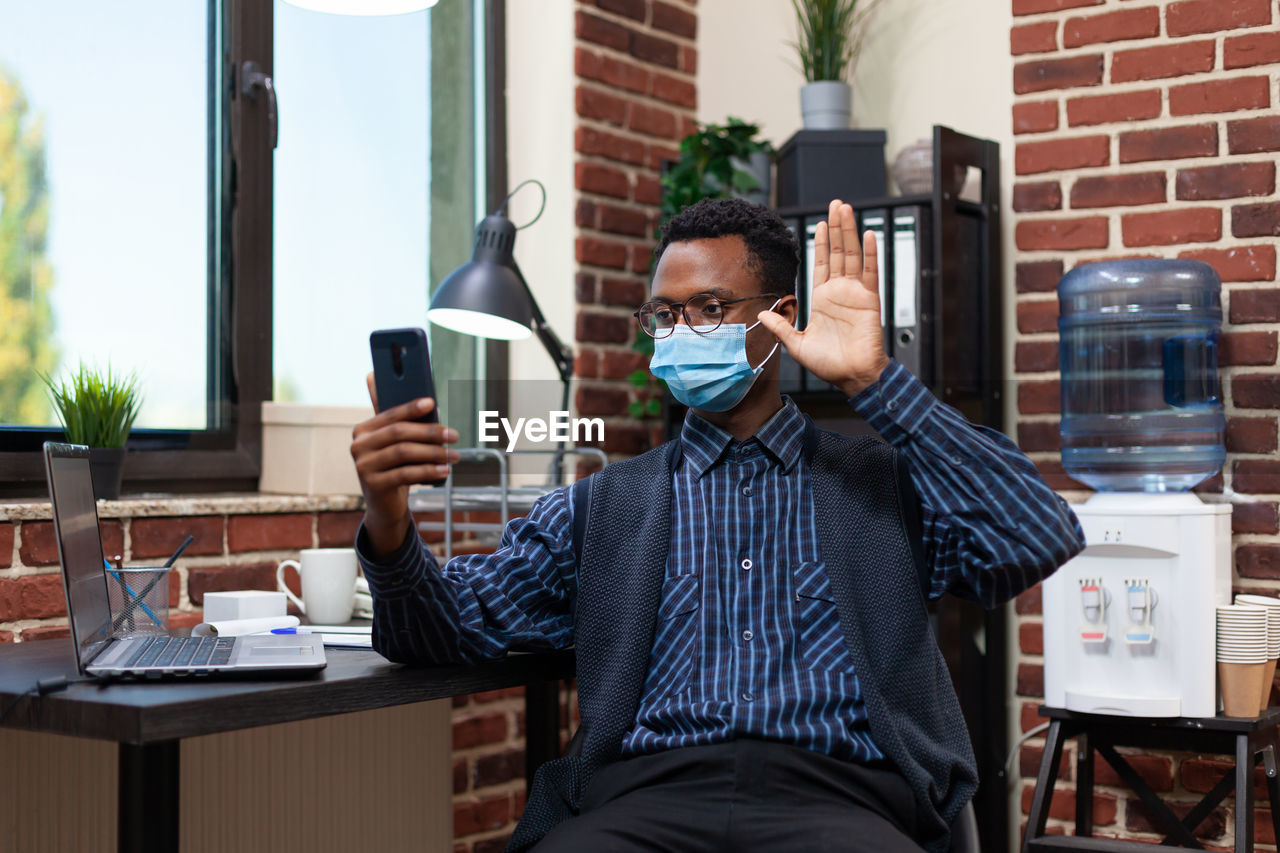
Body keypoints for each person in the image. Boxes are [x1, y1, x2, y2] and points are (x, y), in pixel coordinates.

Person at [350, 197, 1085, 852]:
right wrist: (387, 518)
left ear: (782, 318)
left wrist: (874, 381)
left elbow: (1037, 533)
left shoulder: (885, 486)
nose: (679, 331)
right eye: (663, 316)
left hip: (842, 801)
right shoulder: (600, 506)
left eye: (707, 308)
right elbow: (434, 633)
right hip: (642, 801)